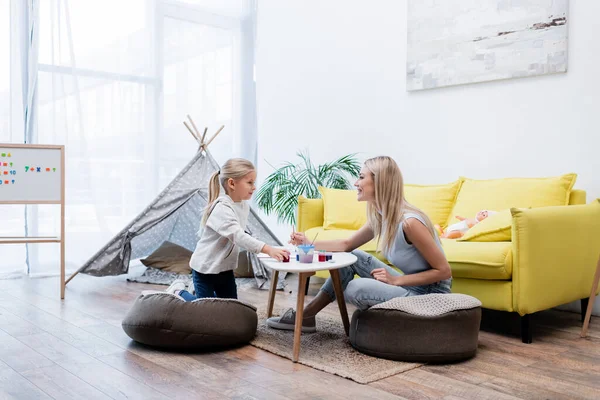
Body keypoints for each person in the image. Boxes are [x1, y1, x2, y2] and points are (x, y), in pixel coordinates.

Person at [266, 156, 452, 333]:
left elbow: (444, 271)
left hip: (430, 295)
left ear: (379, 183)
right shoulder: (381, 215)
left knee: (355, 288)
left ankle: (309, 317)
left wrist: (397, 280)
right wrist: (308, 243)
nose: (356, 183)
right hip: (412, 287)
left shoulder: (410, 223)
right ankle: (306, 316)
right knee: (353, 257)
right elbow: (347, 244)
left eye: (361, 177)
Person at [161, 158, 289, 300]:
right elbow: (238, 236)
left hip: (225, 269)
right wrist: (268, 249)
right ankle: (178, 291)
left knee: (230, 308)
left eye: (254, 182)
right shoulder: (222, 208)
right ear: (232, 183)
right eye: (249, 182)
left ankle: (197, 294)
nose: (254, 187)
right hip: (205, 269)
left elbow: (244, 233)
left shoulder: (243, 205)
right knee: (205, 312)